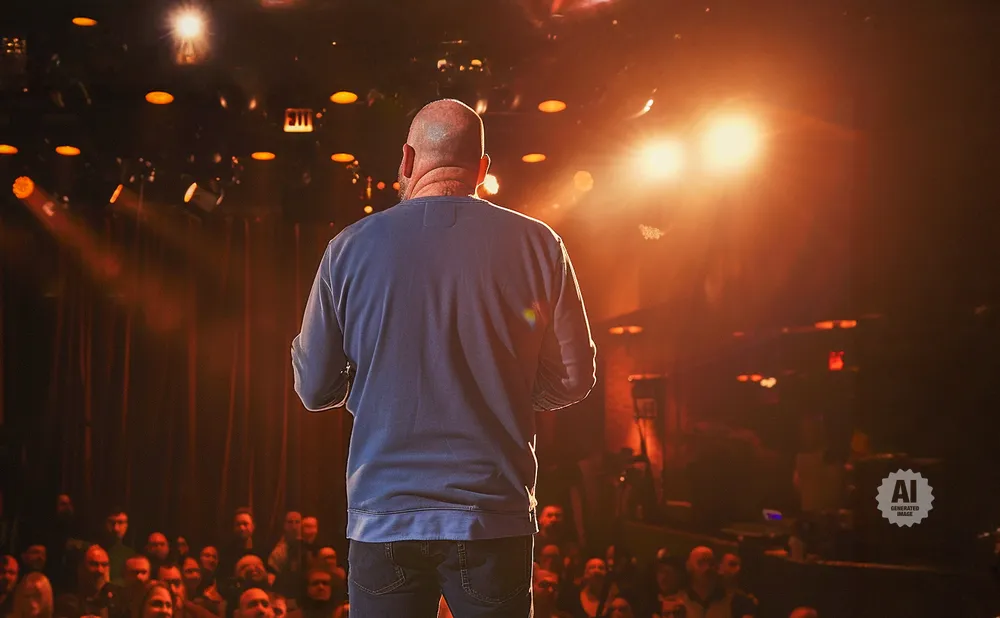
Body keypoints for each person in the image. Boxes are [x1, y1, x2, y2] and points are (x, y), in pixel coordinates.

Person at [292, 98, 597, 617]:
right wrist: (513, 389)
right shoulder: (539, 244)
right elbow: (574, 377)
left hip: (383, 516)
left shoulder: (347, 249)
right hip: (493, 520)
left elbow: (313, 387)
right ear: (482, 169)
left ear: (407, 161)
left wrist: (363, 381)